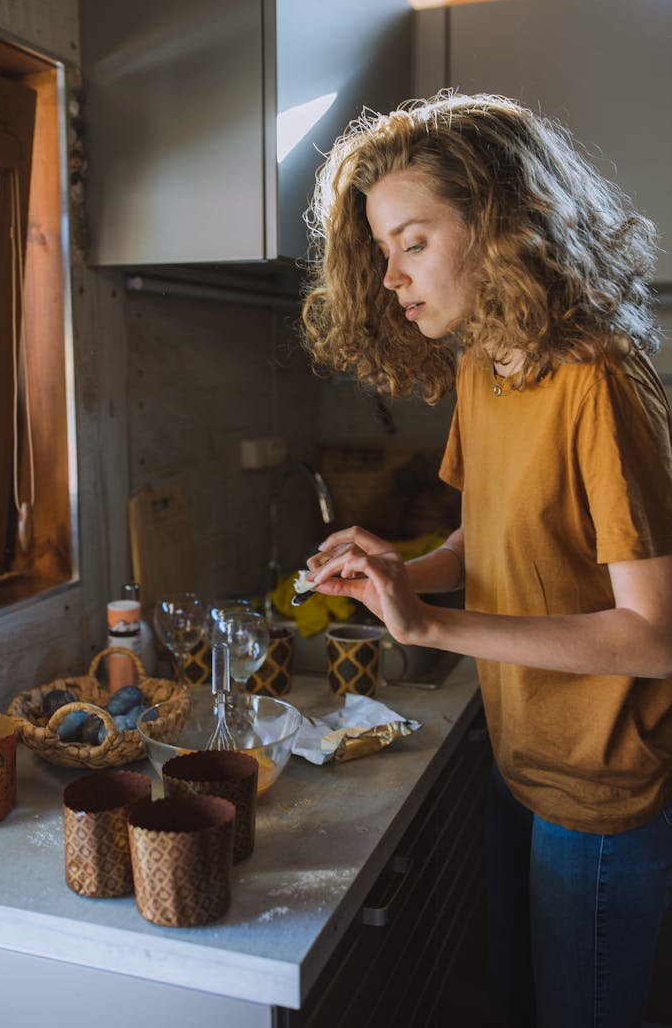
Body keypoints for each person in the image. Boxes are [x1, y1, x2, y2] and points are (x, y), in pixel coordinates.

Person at [299, 91, 672, 1028]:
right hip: (520, 759)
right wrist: (399, 572)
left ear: (500, 222)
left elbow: (655, 635)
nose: (390, 276)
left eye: (413, 242)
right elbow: (486, 544)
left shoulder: (596, 378)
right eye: (383, 250)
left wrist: (431, 625)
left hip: (602, 793)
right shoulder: (485, 363)